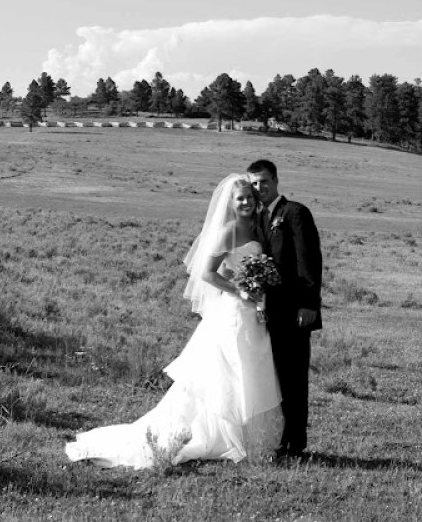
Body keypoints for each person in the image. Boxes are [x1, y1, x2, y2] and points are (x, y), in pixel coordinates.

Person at [65, 174, 282, 469]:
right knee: (229, 370)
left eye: (249, 197)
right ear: (231, 203)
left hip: (251, 312)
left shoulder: (255, 227)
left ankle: (245, 435)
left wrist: (254, 288)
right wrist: (239, 290)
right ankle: (222, 436)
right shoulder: (228, 231)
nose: (246, 202)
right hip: (233, 311)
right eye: (240, 198)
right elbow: (207, 273)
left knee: (248, 369)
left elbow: (238, 268)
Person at [247, 159, 322, 460]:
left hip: (294, 311)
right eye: (254, 183)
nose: (259, 188)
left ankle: (295, 444)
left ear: (276, 180)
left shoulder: (295, 213)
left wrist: (309, 304)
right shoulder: (256, 217)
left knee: (294, 378)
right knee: (273, 377)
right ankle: (276, 438)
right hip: (265, 313)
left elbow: (309, 260)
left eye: (264, 181)